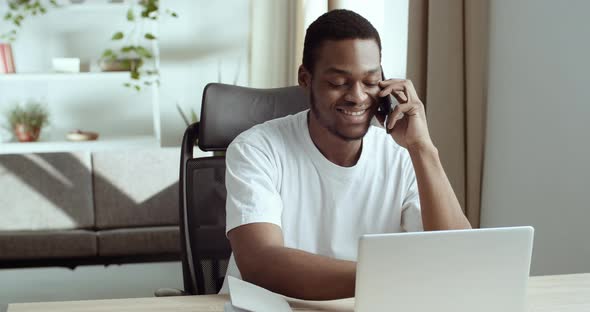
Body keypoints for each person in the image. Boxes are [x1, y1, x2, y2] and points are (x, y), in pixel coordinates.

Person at [219, 9, 471, 299]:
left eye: (370, 81)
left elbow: (458, 255)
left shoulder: (401, 154)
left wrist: (422, 148)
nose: (358, 96)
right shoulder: (256, 149)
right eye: (339, 83)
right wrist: (392, 276)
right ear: (305, 78)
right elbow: (260, 262)